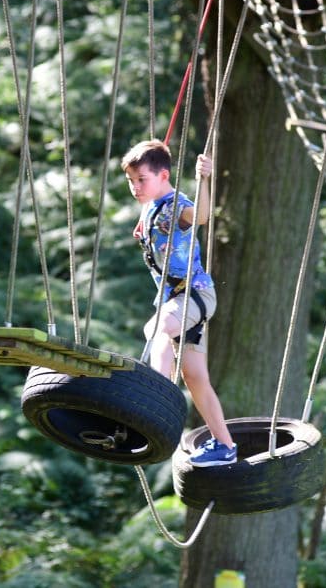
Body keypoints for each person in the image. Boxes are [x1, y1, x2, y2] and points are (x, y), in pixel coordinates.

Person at [121, 139, 236, 466]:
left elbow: (199, 216)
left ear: (163, 175)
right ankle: (225, 446)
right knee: (195, 378)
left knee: (155, 329)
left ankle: (155, 403)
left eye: (141, 180)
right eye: (131, 181)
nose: (135, 187)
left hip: (194, 295)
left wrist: (205, 180)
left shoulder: (174, 204)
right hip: (183, 301)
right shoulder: (153, 205)